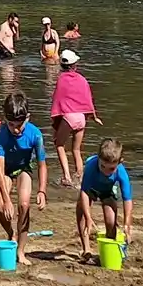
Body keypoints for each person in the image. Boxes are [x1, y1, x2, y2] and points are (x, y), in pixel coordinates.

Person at [0, 89, 47, 250]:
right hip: (6, 171)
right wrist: (7, 200)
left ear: (27, 118)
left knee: (23, 205)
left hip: (24, 169)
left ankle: (21, 250)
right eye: (11, 125)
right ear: (5, 120)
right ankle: (11, 233)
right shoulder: (1, 134)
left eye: (19, 125)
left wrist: (42, 190)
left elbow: (42, 164)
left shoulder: (35, 135)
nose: (15, 129)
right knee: (1, 207)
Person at [74, 137, 133, 264]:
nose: (106, 171)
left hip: (108, 189)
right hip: (91, 187)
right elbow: (84, 192)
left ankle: (110, 249)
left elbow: (127, 199)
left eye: (111, 169)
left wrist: (127, 224)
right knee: (81, 212)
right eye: (103, 166)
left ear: (119, 163)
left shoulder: (121, 172)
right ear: (98, 159)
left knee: (111, 220)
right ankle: (86, 249)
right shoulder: (91, 166)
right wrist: (89, 217)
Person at [49, 50, 101, 186]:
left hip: (69, 118)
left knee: (59, 145)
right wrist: (94, 116)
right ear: (75, 65)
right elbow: (88, 98)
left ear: (61, 65)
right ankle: (80, 176)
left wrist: (55, 121)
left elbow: (57, 99)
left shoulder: (61, 80)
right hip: (81, 118)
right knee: (76, 149)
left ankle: (67, 177)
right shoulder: (82, 79)